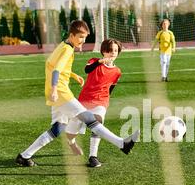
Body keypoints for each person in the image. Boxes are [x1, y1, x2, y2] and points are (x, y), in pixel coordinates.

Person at [15, 20, 139, 167]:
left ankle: (24, 156)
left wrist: (72, 75)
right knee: (89, 118)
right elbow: (56, 70)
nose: (83, 40)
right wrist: (55, 89)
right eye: (80, 37)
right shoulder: (68, 50)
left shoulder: (62, 46)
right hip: (60, 92)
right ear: (72, 35)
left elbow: (51, 64)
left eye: (85, 37)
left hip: (57, 91)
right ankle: (121, 144)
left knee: (58, 128)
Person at [64, 38, 123, 168]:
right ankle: (72, 143)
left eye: (115, 50)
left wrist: (105, 99)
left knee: (98, 122)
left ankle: (93, 156)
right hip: (84, 100)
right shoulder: (94, 61)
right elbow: (87, 70)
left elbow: (111, 87)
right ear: (103, 51)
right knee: (71, 132)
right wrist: (100, 61)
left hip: (101, 101)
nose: (112, 53)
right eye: (109, 50)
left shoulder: (117, 71)